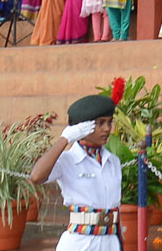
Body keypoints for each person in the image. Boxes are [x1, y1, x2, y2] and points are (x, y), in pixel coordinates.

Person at [30, 93, 121, 250]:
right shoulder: (68, 160)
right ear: (82, 127)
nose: (107, 129)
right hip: (80, 242)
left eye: (109, 122)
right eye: (100, 123)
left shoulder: (112, 161)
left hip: (109, 241)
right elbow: (36, 176)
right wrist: (65, 139)